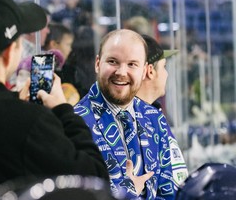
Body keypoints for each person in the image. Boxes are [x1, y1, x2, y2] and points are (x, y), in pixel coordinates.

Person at [0, 0, 109, 200]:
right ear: (8, 53)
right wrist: (63, 110)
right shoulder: (29, 124)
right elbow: (94, 179)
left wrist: (14, 101)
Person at [74, 29, 156, 199]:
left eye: (132, 64)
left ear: (144, 70)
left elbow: (171, 190)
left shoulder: (155, 118)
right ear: (98, 64)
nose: (121, 72)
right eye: (113, 61)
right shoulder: (75, 123)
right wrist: (129, 191)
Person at [136, 34, 189, 198]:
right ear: (150, 71)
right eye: (164, 66)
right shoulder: (133, 121)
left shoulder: (153, 114)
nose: (166, 74)